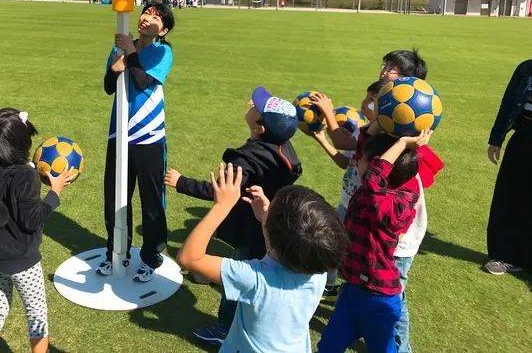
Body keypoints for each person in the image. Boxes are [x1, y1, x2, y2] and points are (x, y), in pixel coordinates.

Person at [312, 49, 442, 353]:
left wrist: (400, 141)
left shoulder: (405, 145)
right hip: (370, 230)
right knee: (364, 287)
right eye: (384, 66)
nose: (384, 72)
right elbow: (357, 145)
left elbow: (373, 176)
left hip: (396, 240)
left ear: (410, 85)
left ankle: (401, 348)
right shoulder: (382, 129)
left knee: (395, 298)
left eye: (392, 69)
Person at [165, 87, 302, 345]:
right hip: (264, 221)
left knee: (240, 275)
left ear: (261, 128)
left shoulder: (249, 160)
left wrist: (181, 182)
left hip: (250, 227)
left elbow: (220, 190)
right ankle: (213, 278)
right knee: (250, 264)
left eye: (257, 108)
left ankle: (224, 328)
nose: (251, 104)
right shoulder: (282, 146)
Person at [177, 163, 348, 353]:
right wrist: (266, 219)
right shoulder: (317, 270)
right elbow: (278, 254)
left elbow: (189, 258)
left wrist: (222, 206)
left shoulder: (255, 279)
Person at [0, 108, 78, 353]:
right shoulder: (26, 176)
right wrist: (55, 192)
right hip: (23, 261)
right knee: (36, 314)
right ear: (22, 144)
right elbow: (32, 220)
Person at [317, 130, 432, 353]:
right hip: (352, 289)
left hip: (378, 297)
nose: (358, 161)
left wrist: (401, 142)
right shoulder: (368, 193)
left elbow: (374, 179)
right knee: (329, 345)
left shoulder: (396, 203)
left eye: (364, 160)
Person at [97, 2, 175, 283]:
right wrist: (115, 69)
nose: (147, 17)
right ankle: (116, 251)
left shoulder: (162, 51)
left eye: (156, 17)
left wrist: (130, 52)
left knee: (151, 200)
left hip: (149, 136)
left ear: (163, 29)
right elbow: (108, 87)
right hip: (118, 133)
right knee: (115, 197)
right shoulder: (118, 48)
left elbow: (142, 81)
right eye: (146, 12)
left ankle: (151, 257)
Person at [310, 80, 386, 299]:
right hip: (348, 201)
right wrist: (322, 141)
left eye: (371, 99)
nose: (365, 103)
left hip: (362, 206)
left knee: (347, 246)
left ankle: (356, 289)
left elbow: (342, 143)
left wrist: (328, 113)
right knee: (334, 241)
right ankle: (329, 285)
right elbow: (345, 162)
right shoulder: (363, 131)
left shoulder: (376, 138)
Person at [485, 59, 532, 275]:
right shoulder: (525, 69)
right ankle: (503, 255)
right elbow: (508, 103)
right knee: (509, 196)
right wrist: (496, 138)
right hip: (523, 137)